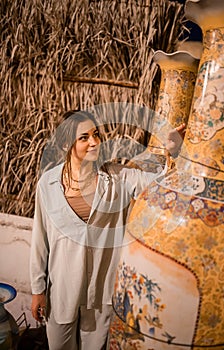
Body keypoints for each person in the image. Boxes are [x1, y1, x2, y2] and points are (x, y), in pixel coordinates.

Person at [30, 109, 185, 350]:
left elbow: (161, 184)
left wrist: (174, 152)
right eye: (84, 137)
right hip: (62, 288)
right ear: (65, 143)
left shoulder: (118, 177)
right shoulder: (48, 184)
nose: (94, 142)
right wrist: (38, 290)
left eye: (96, 134)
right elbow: (40, 240)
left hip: (102, 292)